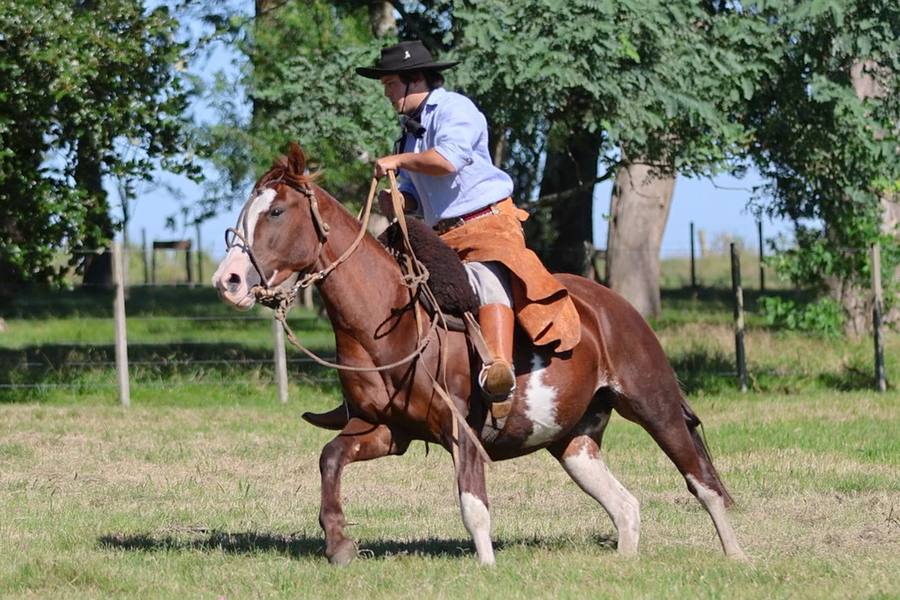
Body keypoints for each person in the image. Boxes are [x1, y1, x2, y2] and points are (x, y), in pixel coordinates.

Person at [302, 40, 580, 430]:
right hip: (442, 235)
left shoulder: (455, 109)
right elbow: (422, 191)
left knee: (488, 278)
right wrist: (401, 199)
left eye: (390, 84)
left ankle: (498, 375)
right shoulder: (409, 131)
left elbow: (448, 160)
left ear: (415, 79)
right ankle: (362, 399)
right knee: (381, 285)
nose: (385, 92)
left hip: (488, 225)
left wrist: (397, 161)